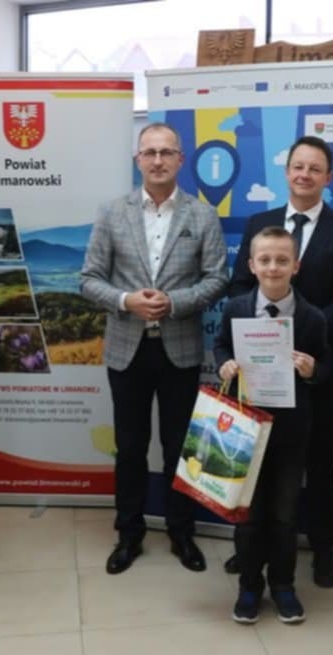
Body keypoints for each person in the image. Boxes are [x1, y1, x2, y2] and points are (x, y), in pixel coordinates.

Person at [81, 122, 228, 575]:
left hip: (179, 349)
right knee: (129, 447)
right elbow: (88, 280)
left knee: (180, 446)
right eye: (150, 152)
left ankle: (182, 532)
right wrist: (127, 300)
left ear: (181, 160)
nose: (158, 160)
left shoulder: (203, 215)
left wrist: (174, 302)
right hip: (127, 349)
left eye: (167, 152)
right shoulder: (112, 213)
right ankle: (129, 533)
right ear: (138, 160)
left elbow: (218, 279)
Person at [227, 135, 333, 587]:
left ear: (328, 178)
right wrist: (269, 338)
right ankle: (252, 550)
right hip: (259, 370)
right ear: (286, 172)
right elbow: (238, 287)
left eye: (315, 168)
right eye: (298, 166)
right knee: (257, 461)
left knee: (319, 461)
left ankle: (323, 550)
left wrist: (303, 333)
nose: (305, 175)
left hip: (318, 370)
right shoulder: (260, 223)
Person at [215, 226, 330, 624]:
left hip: (290, 433)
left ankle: (283, 585)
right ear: (251, 265)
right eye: (264, 260)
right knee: (247, 514)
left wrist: (313, 370)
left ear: (296, 265)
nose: (273, 267)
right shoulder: (236, 309)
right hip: (244, 430)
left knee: (284, 514)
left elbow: (327, 366)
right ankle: (249, 586)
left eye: (282, 260)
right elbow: (221, 346)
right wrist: (223, 365)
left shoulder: (312, 317)